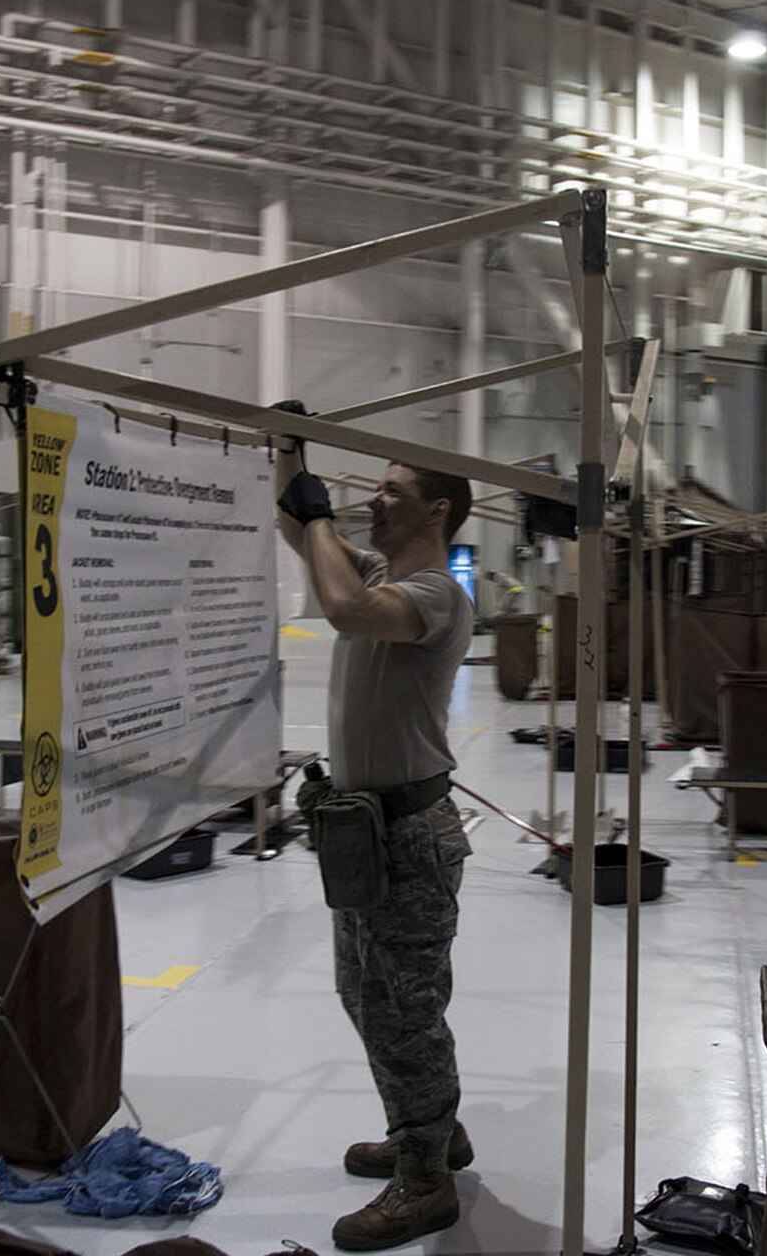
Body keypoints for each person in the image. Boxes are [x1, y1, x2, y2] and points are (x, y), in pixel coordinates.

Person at [271, 407, 476, 1253]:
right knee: (364, 994)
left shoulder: (435, 596)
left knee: (404, 1010)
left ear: (438, 509)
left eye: (393, 491)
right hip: (363, 832)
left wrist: (319, 512)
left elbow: (346, 607)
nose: (374, 502)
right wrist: (289, 454)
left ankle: (425, 1179)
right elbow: (298, 531)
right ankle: (430, 1129)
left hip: (409, 835)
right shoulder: (379, 570)